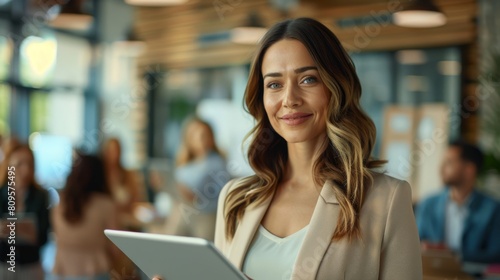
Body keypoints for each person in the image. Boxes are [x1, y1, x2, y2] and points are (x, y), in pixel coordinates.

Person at [153, 17, 422, 280]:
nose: (289, 99)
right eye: (274, 84)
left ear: (336, 87)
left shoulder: (386, 200)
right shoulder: (235, 199)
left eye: (308, 79)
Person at [416, 140, 500, 264]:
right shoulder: (428, 205)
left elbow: (495, 255)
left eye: (449, 162)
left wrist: (453, 254)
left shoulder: (492, 209)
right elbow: (414, 246)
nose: (442, 168)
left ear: (469, 169)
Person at [51, 154, 119, 280]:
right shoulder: (106, 205)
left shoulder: (61, 202)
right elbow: (115, 247)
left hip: (62, 271)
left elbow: (56, 235)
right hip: (94, 271)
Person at [165, 117, 230, 241]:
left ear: (212, 138)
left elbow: (221, 195)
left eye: (204, 135)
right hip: (181, 213)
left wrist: (196, 198)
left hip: (204, 217)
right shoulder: (184, 164)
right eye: (196, 135)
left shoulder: (217, 163)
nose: (201, 139)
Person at [0, 143, 50, 280]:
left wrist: (20, 230)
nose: (25, 170)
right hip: (3, 264)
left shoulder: (40, 196)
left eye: (29, 164)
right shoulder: (1, 194)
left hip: (31, 265)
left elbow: (44, 236)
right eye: (20, 164)